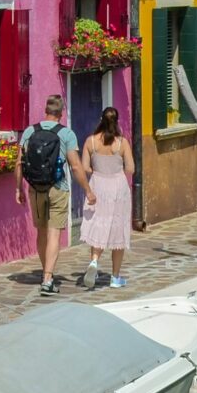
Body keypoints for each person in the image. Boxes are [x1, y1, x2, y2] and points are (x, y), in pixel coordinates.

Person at [20, 94, 87, 294]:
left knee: (41, 232)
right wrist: (88, 190)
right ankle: (48, 278)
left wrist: (18, 188)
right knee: (54, 233)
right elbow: (75, 166)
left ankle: (45, 273)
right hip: (58, 188)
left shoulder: (30, 131)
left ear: (46, 111)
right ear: (61, 113)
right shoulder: (66, 134)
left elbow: (19, 162)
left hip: (35, 188)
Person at [77, 106, 136, 289]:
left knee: (99, 225)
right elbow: (131, 169)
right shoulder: (122, 143)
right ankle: (115, 277)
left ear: (100, 119)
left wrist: (97, 170)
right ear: (117, 121)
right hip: (118, 187)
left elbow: (85, 168)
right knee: (118, 229)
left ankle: (94, 260)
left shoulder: (90, 142)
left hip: (98, 185)